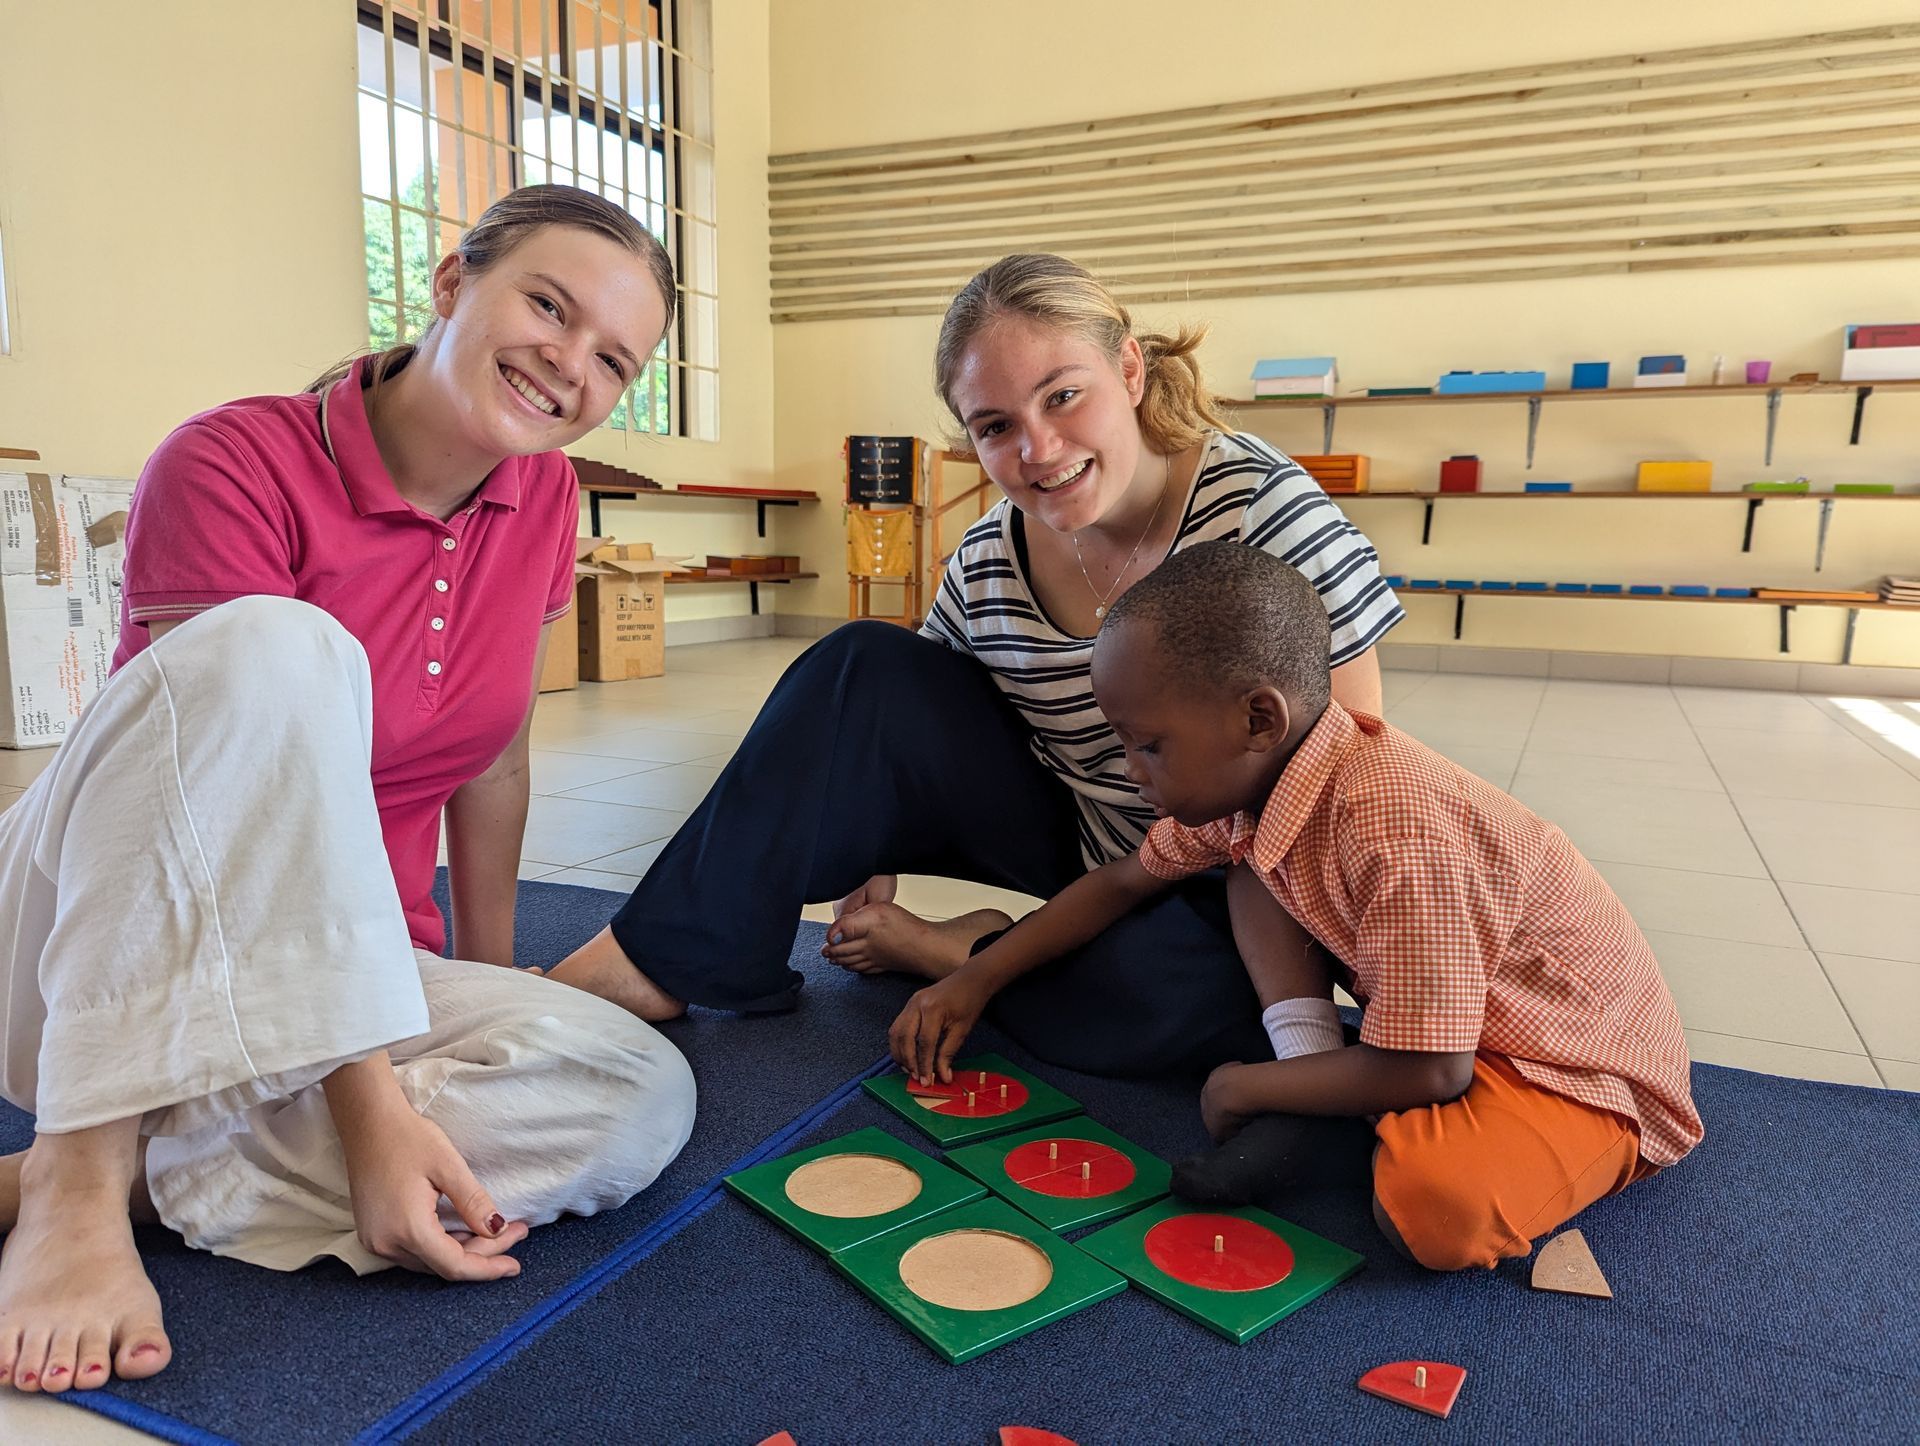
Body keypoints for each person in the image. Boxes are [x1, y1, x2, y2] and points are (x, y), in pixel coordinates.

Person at [0, 185, 697, 1396]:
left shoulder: (546, 496)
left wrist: (491, 969)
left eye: (613, 359)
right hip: (107, 935)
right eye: (547, 304)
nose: (567, 363)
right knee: (284, 649)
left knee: (633, 1094)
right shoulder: (231, 459)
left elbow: (496, 758)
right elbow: (246, 813)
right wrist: (374, 1121)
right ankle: (73, 1173)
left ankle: (140, 1173)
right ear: (449, 283)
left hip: (345, 974)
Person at [548, 253, 1404, 1078]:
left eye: (1063, 396)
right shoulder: (992, 554)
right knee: (859, 662)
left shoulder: (1265, 510)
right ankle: (653, 960)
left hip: (1235, 879)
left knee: (1191, 1000)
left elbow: (1357, 776)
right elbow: (890, 727)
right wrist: (863, 851)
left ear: (1132, 370)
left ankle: (960, 948)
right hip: (1082, 847)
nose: (1038, 449)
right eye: (995, 426)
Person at [889, 542, 1703, 1271]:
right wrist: (976, 977)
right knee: (1250, 866)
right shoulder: (1268, 779)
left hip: (1573, 1070)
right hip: (1454, 1032)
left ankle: (1335, 1114)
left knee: (1434, 1213)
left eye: (1148, 745)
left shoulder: (1395, 832)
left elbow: (1435, 1067)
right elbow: (1120, 882)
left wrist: (1248, 1089)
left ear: (1257, 718)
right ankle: (1326, 1088)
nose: (1132, 770)